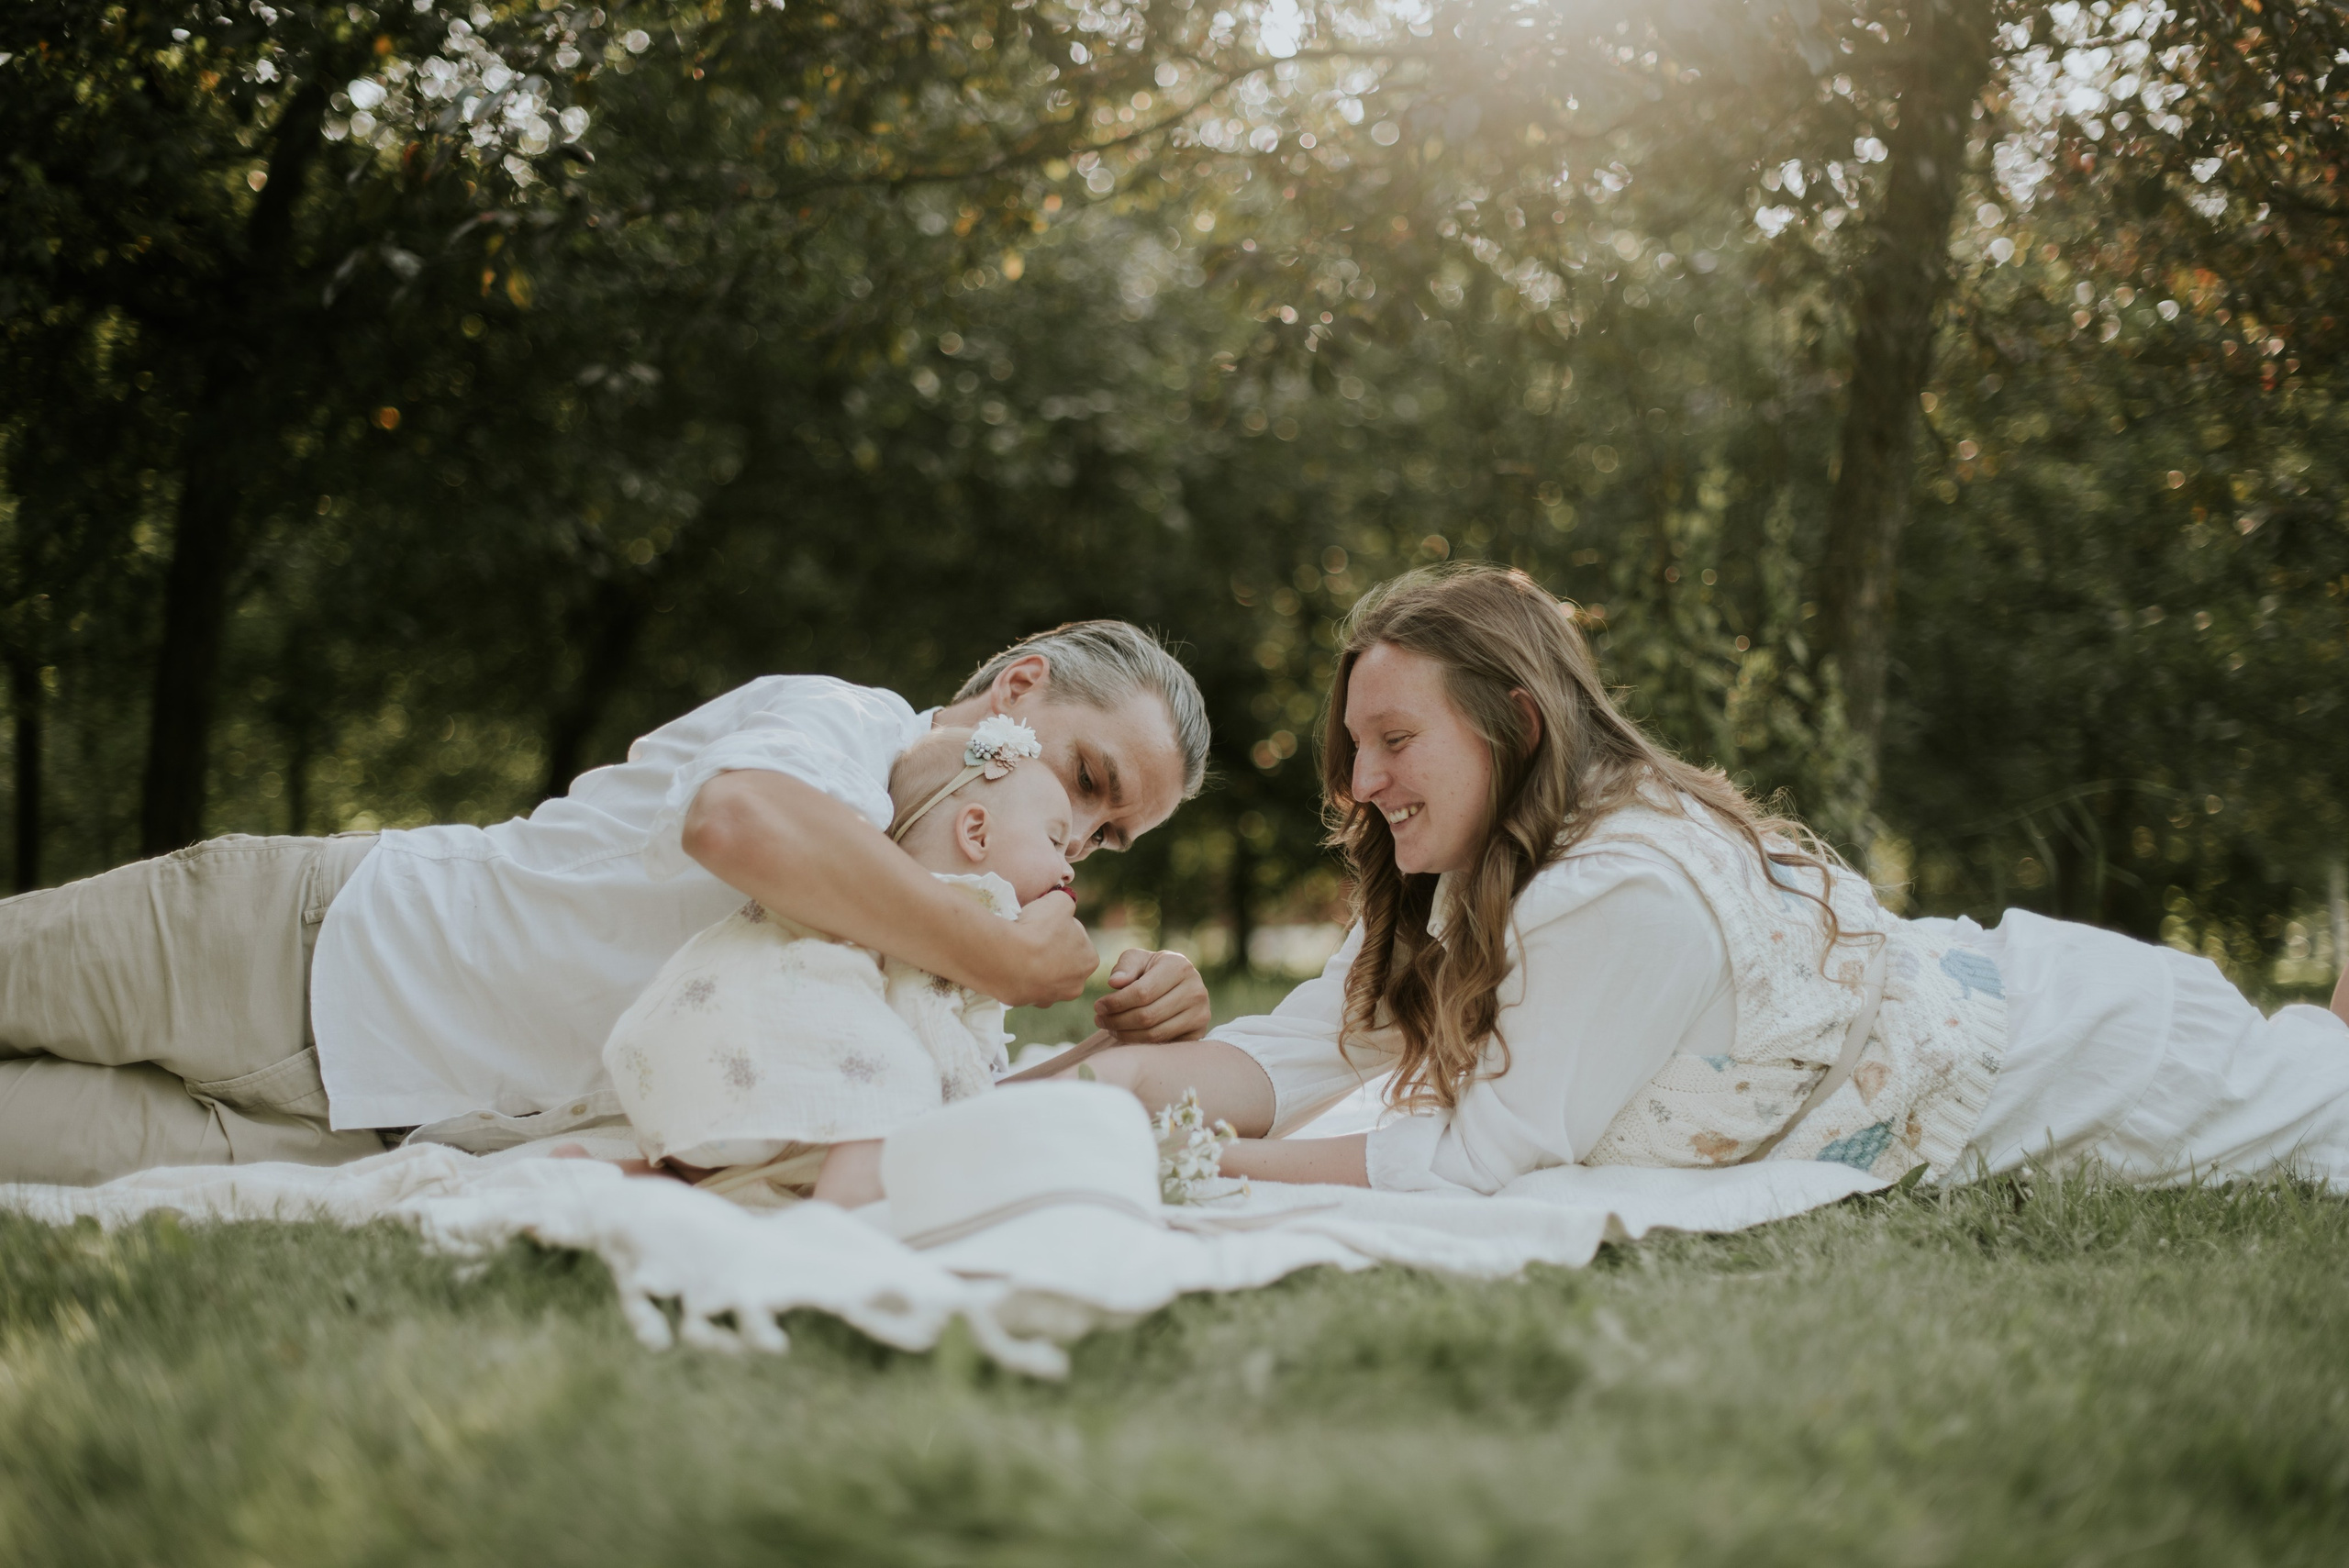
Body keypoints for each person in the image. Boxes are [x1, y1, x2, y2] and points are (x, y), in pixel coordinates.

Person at [1078, 566, 2349, 1195]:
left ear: (1517, 725)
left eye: (1395, 741)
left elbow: (1484, 1157)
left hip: (2089, 1062)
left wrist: (1189, 1160)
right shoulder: (1467, 875)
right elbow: (1302, 1052)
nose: (1360, 781)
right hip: (2021, 1000)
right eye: (1355, 742)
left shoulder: (1622, 888)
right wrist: (1104, 1086)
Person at [0, 621, 1214, 1185]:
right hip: (293, 945)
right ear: (1018, 684)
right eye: (1090, 782)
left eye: (1108, 836)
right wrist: (1006, 954)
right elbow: (736, 822)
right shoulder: (844, 721)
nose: (1083, 841)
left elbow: (913, 1113)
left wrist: (1102, 1040)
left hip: (344, 1137)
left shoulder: (925, 929)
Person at [604, 718, 1078, 1202]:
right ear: (976, 832)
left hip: (689, 1066)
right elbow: (937, 1036)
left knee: (756, 1160)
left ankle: (612, 1175)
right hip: (750, 1047)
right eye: (1055, 840)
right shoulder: (954, 913)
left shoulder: (854, 893)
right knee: (898, 1094)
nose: (1068, 868)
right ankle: (844, 1220)